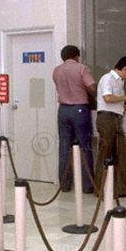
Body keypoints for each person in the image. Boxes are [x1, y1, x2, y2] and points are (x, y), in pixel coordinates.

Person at [95, 56, 126, 197]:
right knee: (105, 154)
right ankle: (100, 189)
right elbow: (108, 98)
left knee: (121, 154)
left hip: (116, 119)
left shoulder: (120, 82)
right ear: (124, 68)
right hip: (106, 119)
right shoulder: (107, 79)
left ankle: (121, 189)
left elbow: (120, 105)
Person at [52, 45, 95, 193]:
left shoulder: (56, 70)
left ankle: (64, 184)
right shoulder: (82, 68)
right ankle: (87, 186)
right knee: (85, 146)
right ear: (77, 55)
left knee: (64, 147)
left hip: (63, 110)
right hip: (79, 109)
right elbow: (92, 87)